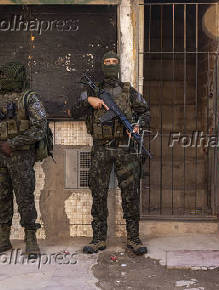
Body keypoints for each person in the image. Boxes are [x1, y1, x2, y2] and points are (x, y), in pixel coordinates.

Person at [69, 51, 150, 255]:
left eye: (114, 62)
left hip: (126, 148)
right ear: (102, 66)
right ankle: (98, 239)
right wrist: (89, 101)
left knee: (131, 193)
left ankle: (133, 238)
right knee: (98, 192)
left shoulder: (128, 90)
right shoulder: (91, 91)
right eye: (107, 62)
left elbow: (145, 111)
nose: (111, 65)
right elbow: (73, 111)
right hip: (101, 147)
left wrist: (138, 125)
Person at [0, 62, 47, 258]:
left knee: (25, 197)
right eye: (1, 77)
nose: (3, 80)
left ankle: (31, 239)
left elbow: (40, 127)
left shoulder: (29, 98)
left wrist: (15, 143)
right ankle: (2, 238)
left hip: (21, 155)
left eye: (7, 76)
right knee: (1, 196)